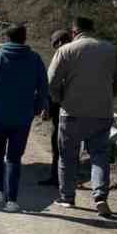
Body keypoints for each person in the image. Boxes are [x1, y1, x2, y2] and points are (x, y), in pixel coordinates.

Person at [46, 16, 117, 218]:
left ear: (74, 32)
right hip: (102, 113)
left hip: (71, 112)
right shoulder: (110, 49)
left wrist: (60, 99)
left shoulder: (65, 50)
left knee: (67, 156)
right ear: (93, 29)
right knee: (99, 156)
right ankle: (100, 197)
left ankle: (67, 197)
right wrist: (109, 95)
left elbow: (51, 82)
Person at [0, 23, 49, 212]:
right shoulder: (34, 59)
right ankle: (12, 201)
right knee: (14, 159)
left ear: (7, 38)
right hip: (22, 118)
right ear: (25, 38)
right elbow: (43, 88)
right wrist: (36, 109)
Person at [37, 29, 72, 185]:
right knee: (71, 147)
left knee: (58, 145)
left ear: (58, 42)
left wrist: (47, 107)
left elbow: (52, 84)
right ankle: (68, 178)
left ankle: (57, 178)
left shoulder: (62, 56)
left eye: (55, 44)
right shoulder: (80, 55)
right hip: (84, 108)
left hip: (62, 109)